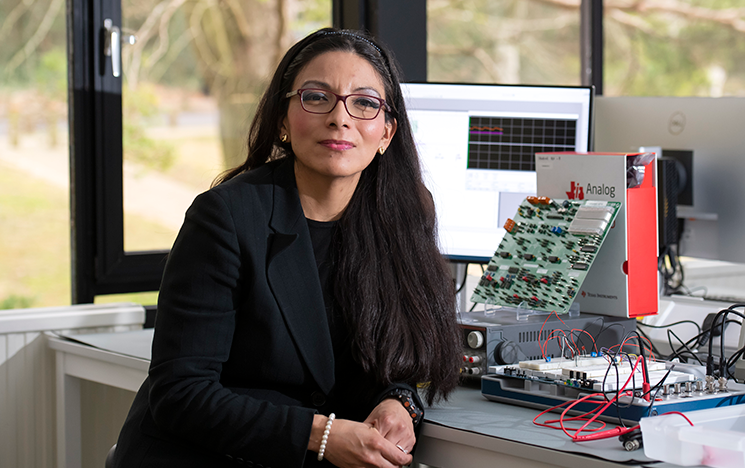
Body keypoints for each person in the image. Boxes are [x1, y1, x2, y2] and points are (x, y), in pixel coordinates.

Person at [112, 27, 461, 468]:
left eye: (365, 103)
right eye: (317, 97)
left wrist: (400, 402)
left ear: (387, 133)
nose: (340, 118)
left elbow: (410, 357)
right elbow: (181, 393)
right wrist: (321, 434)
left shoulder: (406, 215)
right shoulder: (226, 216)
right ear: (282, 119)